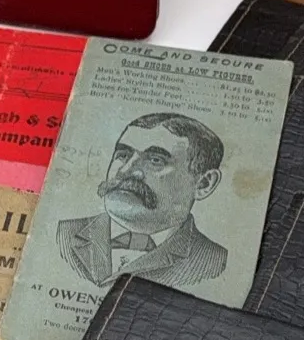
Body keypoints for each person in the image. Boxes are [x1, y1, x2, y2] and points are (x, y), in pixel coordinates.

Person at [57, 110, 228, 289]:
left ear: (204, 184)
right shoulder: (62, 235)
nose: (126, 170)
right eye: (123, 155)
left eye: (155, 160)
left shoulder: (215, 262)